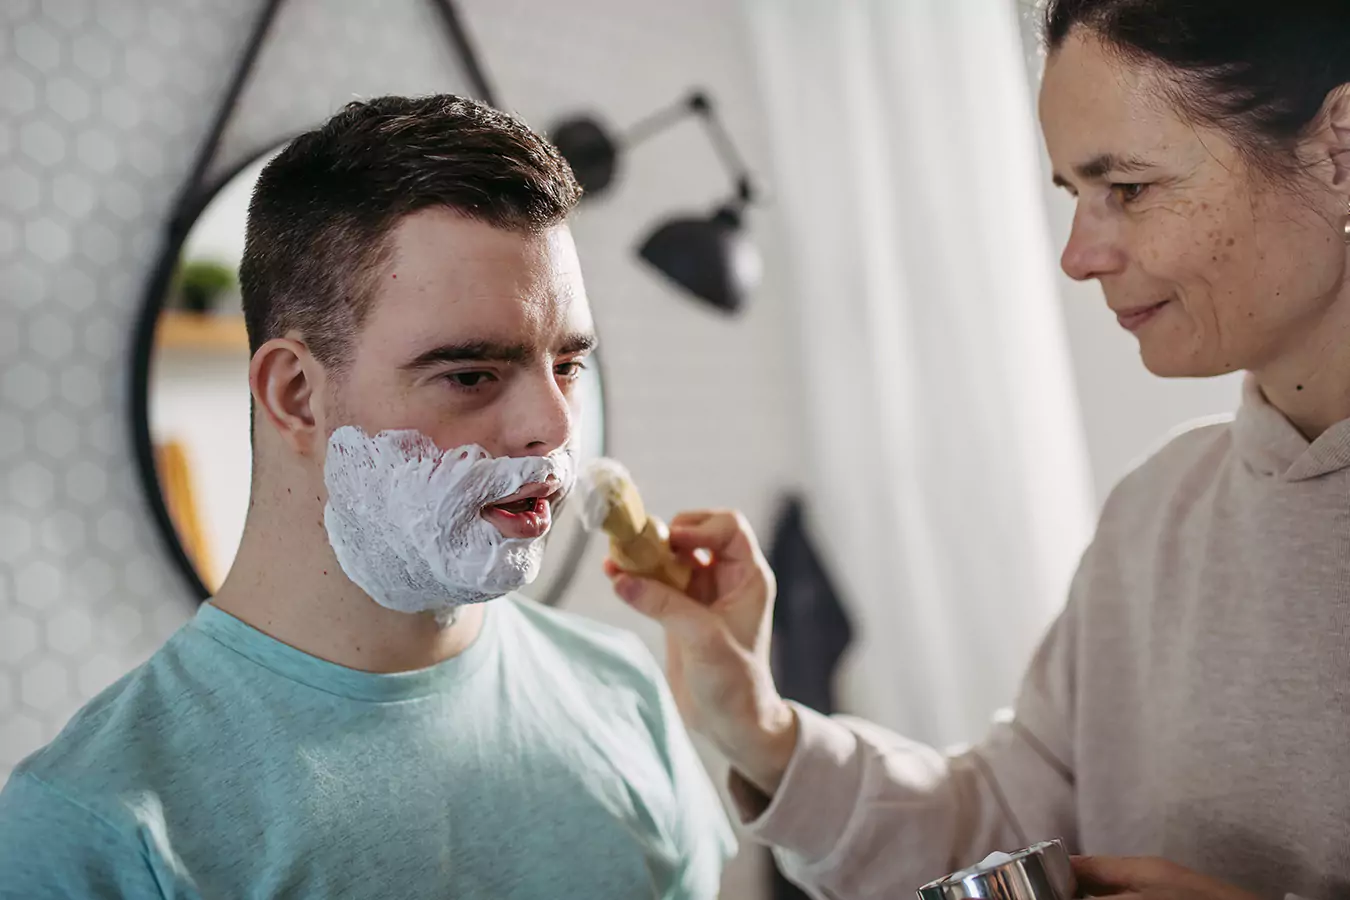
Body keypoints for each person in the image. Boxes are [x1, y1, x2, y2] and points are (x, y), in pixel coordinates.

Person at [603, 3, 1350, 900]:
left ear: (1337, 149)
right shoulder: (1155, 513)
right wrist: (764, 732)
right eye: (1074, 193)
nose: (1076, 256)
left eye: (1132, 188)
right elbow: (1004, 822)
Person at [0, 95, 735, 899]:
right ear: (296, 396)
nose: (553, 426)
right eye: (470, 374)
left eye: (566, 364)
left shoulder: (622, 693)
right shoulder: (96, 825)